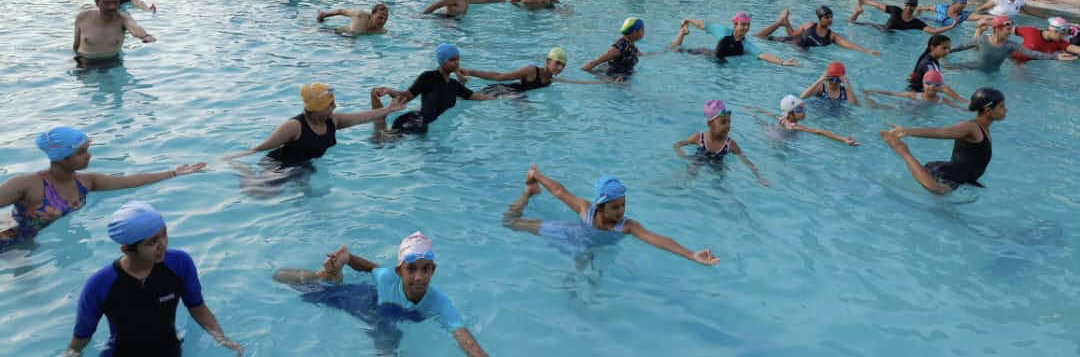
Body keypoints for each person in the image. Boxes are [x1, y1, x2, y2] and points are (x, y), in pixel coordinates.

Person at [64, 201, 243, 357]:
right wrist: (71, 353)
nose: (162, 245)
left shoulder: (180, 264)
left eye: (164, 234)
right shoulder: (100, 284)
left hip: (169, 349)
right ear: (127, 249)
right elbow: (82, 336)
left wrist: (221, 338)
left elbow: (198, 308)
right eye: (152, 242)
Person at [271, 233, 492, 357]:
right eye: (411, 269)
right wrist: (346, 259)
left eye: (426, 269)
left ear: (433, 270)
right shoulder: (388, 277)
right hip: (364, 301)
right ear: (399, 271)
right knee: (283, 277)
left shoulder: (439, 302)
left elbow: (466, 341)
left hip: (388, 324)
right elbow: (369, 268)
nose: (419, 277)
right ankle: (326, 275)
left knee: (387, 345)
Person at [0, 128, 203, 252]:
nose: (88, 156)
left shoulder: (87, 182)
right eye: (81, 152)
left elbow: (130, 181)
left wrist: (173, 174)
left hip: (37, 240)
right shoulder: (28, 184)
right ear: (62, 156)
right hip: (10, 240)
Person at [504, 165, 720, 265]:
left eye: (623, 205)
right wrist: (537, 176)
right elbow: (560, 192)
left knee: (585, 277)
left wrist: (691, 254)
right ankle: (528, 193)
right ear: (601, 206)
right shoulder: (586, 209)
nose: (621, 211)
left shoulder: (627, 226)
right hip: (569, 234)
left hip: (591, 249)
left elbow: (658, 239)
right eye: (615, 207)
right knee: (510, 222)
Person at [226, 83, 402, 170]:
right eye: (330, 104)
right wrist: (231, 159)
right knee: (261, 195)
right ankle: (243, 171)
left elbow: (362, 117)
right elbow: (260, 149)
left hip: (304, 167)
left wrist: (388, 109)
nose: (334, 107)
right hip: (278, 167)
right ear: (317, 108)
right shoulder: (294, 126)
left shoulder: (332, 120)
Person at [880, 88, 1007, 194]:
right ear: (988, 111)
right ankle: (902, 150)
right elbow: (940, 132)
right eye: (1001, 107)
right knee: (937, 191)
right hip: (953, 174)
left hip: (964, 175)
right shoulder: (971, 127)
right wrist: (906, 131)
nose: (1005, 110)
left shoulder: (984, 128)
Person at [369, 44, 495, 135]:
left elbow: (476, 97)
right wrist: (389, 90)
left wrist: (498, 99)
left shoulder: (454, 85)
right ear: (442, 61)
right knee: (382, 142)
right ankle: (379, 119)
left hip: (428, 124)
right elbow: (405, 97)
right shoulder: (428, 77)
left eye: (458, 59)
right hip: (416, 120)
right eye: (452, 60)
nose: (456, 63)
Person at [672, 101, 767, 184]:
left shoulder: (731, 144)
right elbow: (678, 144)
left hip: (718, 163)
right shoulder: (699, 137)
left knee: (721, 182)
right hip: (699, 159)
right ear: (710, 124)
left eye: (729, 122)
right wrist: (682, 154)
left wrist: (759, 178)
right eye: (723, 122)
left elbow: (746, 161)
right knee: (688, 176)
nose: (727, 126)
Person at [670, 12, 799, 66]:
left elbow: (763, 55)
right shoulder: (723, 32)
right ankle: (682, 33)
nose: (745, 28)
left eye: (748, 25)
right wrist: (688, 20)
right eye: (743, 24)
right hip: (705, 55)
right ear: (735, 25)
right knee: (674, 50)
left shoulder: (746, 45)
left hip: (722, 63)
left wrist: (782, 62)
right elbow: (703, 25)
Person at [952, 15, 1074, 71]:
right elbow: (961, 47)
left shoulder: (1011, 45)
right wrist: (945, 51)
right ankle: (979, 30)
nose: (1011, 32)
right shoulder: (983, 39)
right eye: (1008, 29)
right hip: (977, 67)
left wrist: (1055, 56)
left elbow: (1033, 54)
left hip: (996, 72)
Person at [73, 0, 155, 67]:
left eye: (116, 2)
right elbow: (76, 45)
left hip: (112, 62)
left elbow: (134, 28)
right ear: (97, 3)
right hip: (85, 61)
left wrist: (145, 36)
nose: (112, 6)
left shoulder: (123, 19)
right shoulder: (83, 17)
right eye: (107, 3)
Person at [755, 7, 881, 56]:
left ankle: (784, 21)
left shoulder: (831, 36)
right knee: (758, 37)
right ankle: (781, 21)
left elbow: (848, 44)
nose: (830, 20)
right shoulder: (809, 25)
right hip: (789, 43)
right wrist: (784, 25)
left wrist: (867, 51)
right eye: (827, 18)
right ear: (820, 19)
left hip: (802, 52)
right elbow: (792, 35)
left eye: (831, 17)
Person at [457, 47, 579, 94]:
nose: (560, 68)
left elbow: (574, 82)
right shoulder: (531, 70)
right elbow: (499, 76)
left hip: (516, 96)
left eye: (563, 65)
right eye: (557, 63)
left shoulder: (551, 79)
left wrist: (596, 83)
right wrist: (471, 72)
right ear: (548, 61)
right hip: (503, 90)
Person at [755, 95, 858, 146]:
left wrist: (753, 110)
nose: (804, 111)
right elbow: (819, 132)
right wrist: (842, 139)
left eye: (803, 108)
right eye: (800, 109)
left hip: (774, 133)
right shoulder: (794, 126)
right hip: (780, 142)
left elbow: (769, 114)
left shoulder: (783, 118)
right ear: (790, 113)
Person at [848, 0, 957, 34]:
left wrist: (951, 26)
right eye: (907, 5)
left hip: (892, 36)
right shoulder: (896, 10)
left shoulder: (916, 23)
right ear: (904, 5)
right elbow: (879, 5)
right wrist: (865, 1)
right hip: (880, 29)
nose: (909, 7)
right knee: (850, 23)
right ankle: (857, 12)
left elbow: (933, 31)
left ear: (915, 7)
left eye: (912, 6)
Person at [863, 69, 966, 110]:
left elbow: (958, 108)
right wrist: (874, 91)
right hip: (906, 108)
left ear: (940, 86)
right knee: (884, 107)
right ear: (923, 84)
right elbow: (892, 93)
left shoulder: (942, 100)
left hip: (920, 115)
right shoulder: (914, 95)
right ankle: (870, 102)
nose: (932, 86)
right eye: (928, 83)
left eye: (936, 84)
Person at [905, 34, 965, 101]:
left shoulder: (928, 59)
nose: (947, 51)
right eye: (944, 48)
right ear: (932, 47)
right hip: (916, 97)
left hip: (915, 93)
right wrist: (962, 100)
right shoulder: (929, 64)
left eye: (949, 48)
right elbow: (941, 87)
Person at [1010, 16, 1080, 62]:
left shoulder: (1059, 43)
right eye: (1062, 34)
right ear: (1054, 31)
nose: (1064, 37)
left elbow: (1075, 49)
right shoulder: (1031, 32)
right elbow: (1007, 30)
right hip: (1013, 61)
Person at [318, 4, 389, 35]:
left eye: (385, 19)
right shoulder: (360, 15)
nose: (382, 21)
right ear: (372, 14)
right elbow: (341, 11)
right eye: (380, 17)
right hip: (332, 33)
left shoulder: (382, 31)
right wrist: (324, 15)